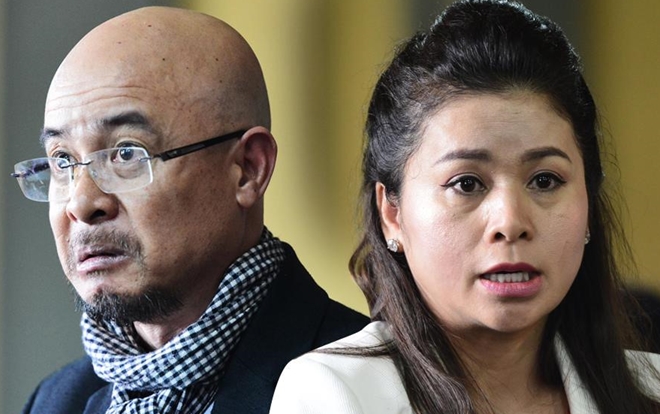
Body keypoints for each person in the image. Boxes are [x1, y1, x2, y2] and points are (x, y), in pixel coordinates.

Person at [270, 1, 660, 413]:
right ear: (392, 214)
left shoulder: (651, 390)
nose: (510, 221)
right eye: (466, 184)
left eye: (545, 180)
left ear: (589, 203)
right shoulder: (336, 394)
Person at [13, 6, 368, 414]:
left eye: (126, 153)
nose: (81, 203)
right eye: (62, 160)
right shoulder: (56, 401)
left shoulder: (361, 385)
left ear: (247, 170)